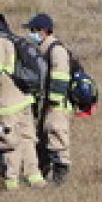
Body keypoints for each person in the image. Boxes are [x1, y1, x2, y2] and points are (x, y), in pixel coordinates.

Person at [0, 5, 45, 190]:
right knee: (27, 140)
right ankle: (35, 179)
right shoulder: (8, 39)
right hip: (23, 100)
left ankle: (11, 183)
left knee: (7, 143)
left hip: (7, 104)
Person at [26, 12, 73, 184]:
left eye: (33, 30)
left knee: (57, 136)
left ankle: (60, 176)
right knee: (44, 139)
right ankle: (43, 173)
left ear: (43, 31)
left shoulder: (56, 50)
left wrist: (53, 101)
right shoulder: (44, 48)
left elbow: (60, 77)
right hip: (47, 103)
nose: (31, 33)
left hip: (57, 105)